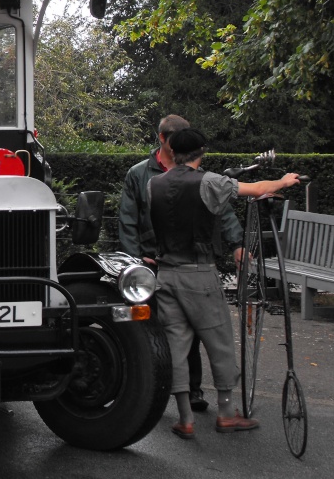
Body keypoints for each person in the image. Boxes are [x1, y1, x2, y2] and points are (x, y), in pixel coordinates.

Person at [148, 128, 300, 439]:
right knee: (219, 341)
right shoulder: (210, 182)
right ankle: (227, 413)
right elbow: (256, 188)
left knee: (176, 346)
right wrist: (284, 181)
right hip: (198, 273)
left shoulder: (154, 184)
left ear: (172, 151)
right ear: (201, 151)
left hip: (165, 274)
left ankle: (185, 418)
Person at [118, 114, 244, 412]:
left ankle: (192, 395)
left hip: (178, 262)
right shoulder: (139, 174)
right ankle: (164, 393)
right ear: (162, 139)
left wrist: (237, 242)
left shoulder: (193, 175)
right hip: (153, 261)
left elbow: (222, 211)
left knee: (185, 332)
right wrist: (134, 261)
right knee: (163, 331)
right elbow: (127, 220)